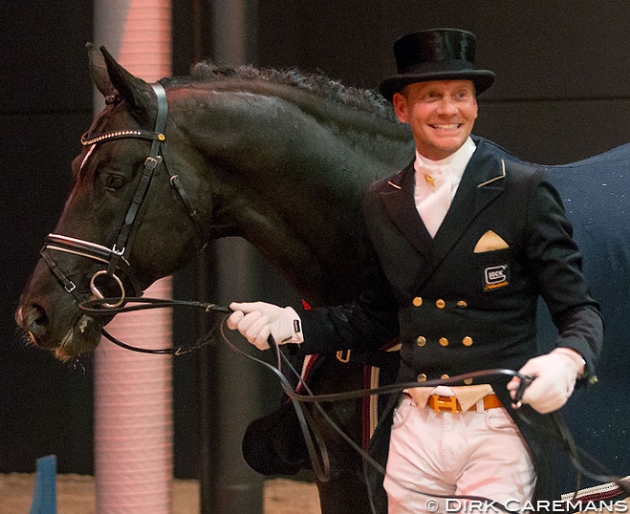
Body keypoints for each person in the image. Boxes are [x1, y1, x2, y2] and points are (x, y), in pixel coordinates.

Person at [227, 28, 603, 513]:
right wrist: (295, 326)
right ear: (403, 109)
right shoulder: (382, 200)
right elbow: (377, 318)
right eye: (432, 97)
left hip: (496, 429)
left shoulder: (522, 191)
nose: (448, 109)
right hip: (414, 428)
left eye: (460, 96)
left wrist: (568, 361)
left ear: (475, 104)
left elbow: (580, 311)